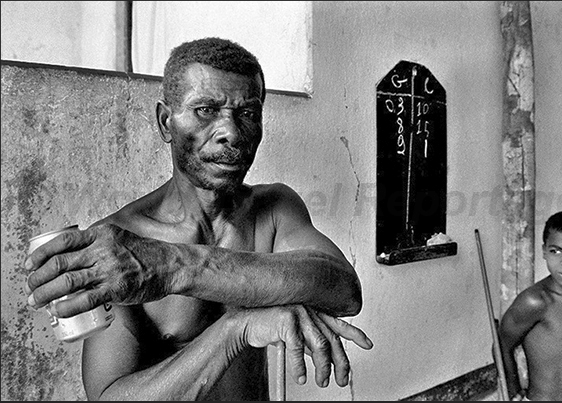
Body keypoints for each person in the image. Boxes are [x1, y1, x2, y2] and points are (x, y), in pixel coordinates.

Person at [23, 37, 373, 401]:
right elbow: (110, 396)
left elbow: (345, 290)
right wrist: (237, 328)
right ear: (165, 122)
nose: (232, 133)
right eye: (205, 110)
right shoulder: (122, 248)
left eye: (249, 114)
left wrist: (175, 267)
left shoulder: (272, 210)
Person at [498, 209, 562, 401]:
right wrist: (514, 393)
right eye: (556, 251)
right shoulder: (536, 301)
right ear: (544, 251)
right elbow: (502, 345)